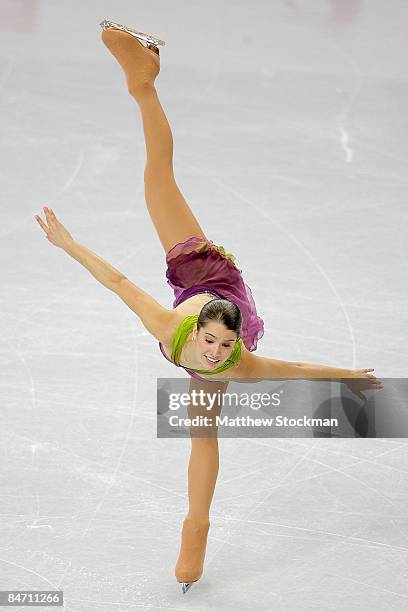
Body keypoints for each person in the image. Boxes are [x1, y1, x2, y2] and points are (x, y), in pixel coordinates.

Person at [34, 19, 383, 594]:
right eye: (212, 344)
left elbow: (292, 370)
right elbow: (117, 280)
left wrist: (348, 377)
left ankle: (195, 526)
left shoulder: (232, 364)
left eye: (222, 348)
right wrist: (68, 243)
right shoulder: (170, 320)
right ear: (195, 330)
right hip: (205, 273)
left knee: (202, 437)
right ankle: (142, 81)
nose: (216, 352)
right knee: (156, 181)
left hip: (225, 301)